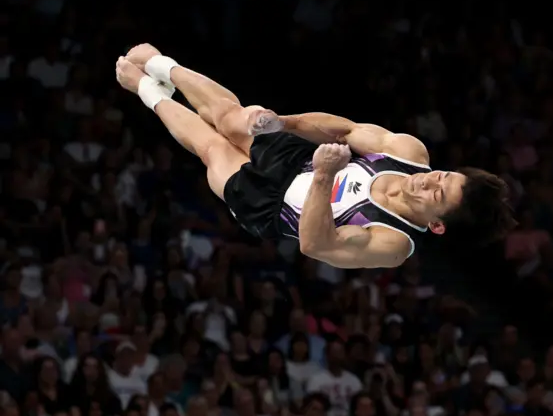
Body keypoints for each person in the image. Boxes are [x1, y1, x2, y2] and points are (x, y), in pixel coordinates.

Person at [114, 45, 515, 268]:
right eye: (441, 176)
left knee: (212, 147)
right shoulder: (408, 153)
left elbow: (315, 244)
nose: (426, 180)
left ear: (438, 226)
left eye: (437, 196)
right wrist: (282, 123)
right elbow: (344, 129)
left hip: (274, 207)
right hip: (301, 161)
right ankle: (161, 63)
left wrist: (325, 176)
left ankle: (147, 91)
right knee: (232, 117)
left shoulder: (393, 244)